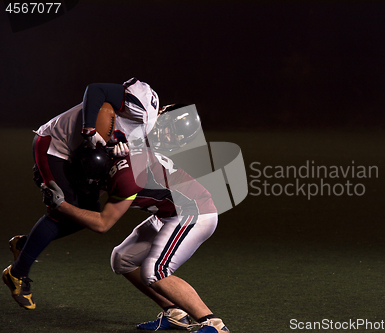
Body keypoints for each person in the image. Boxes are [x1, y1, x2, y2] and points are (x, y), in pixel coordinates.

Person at [2, 78, 159, 310]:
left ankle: (26, 244)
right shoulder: (127, 104)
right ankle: (17, 273)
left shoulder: (142, 130)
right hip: (53, 147)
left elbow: (112, 149)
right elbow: (95, 89)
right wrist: (88, 128)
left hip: (77, 157)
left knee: (88, 213)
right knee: (60, 208)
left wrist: (115, 150)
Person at [41, 140, 229, 332]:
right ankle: (175, 313)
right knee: (123, 259)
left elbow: (102, 223)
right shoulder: (116, 157)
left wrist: (61, 205)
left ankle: (213, 324)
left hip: (194, 211)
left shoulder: (125, 177)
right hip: (169, 213)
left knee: (156, 271)